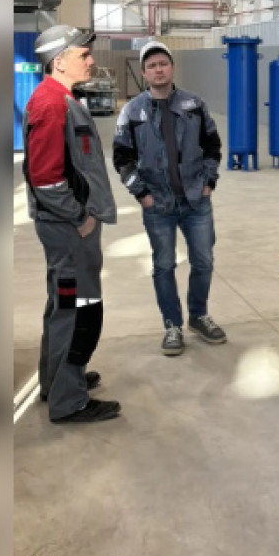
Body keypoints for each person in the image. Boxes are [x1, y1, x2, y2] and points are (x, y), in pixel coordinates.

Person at [22, 25, 120, 424]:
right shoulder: (51, 105)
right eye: (83, 55)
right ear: (59, 61)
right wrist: (80, 217)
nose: (91, 60)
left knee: (63, 304)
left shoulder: (61, 99)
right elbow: (46, 179)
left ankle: (58, 381)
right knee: (78, 308)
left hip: (65, 227)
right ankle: (69, 400)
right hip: (68, 229)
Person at [112, 41, 226, 356]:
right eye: (152, 66)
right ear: (144, 73)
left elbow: (213, 146)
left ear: (172, 67)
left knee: (203, 261)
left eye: (163, 63)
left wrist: (208, 182)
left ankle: (198, 316)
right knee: (163, 264)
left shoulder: (194, 104)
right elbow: (122, 159)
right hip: (158, 204)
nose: (158, 70)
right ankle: (172, 325)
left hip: (195, 201)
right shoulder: (132, 111)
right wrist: (142, 194)